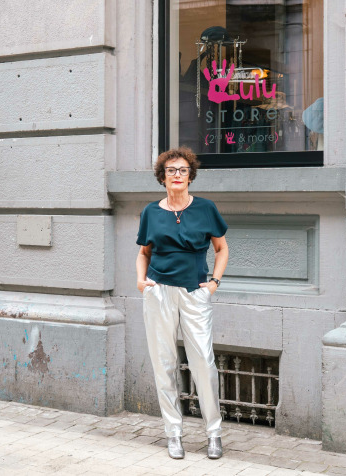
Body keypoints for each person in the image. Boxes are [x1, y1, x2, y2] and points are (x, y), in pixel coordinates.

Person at [136, 146, 229, 460]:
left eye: (182, 170)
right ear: (162, 177)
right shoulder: (151, 212)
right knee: (164, 364)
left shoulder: (205, 208)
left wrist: (213, 283)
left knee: (203, 362)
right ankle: (173, 433)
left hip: (194, 291)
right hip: (158, 290)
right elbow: (144, 253)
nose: (177, 175)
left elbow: (221, 249)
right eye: (171, 170)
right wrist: (141, 281)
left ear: (191, 176)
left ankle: (214, 433)